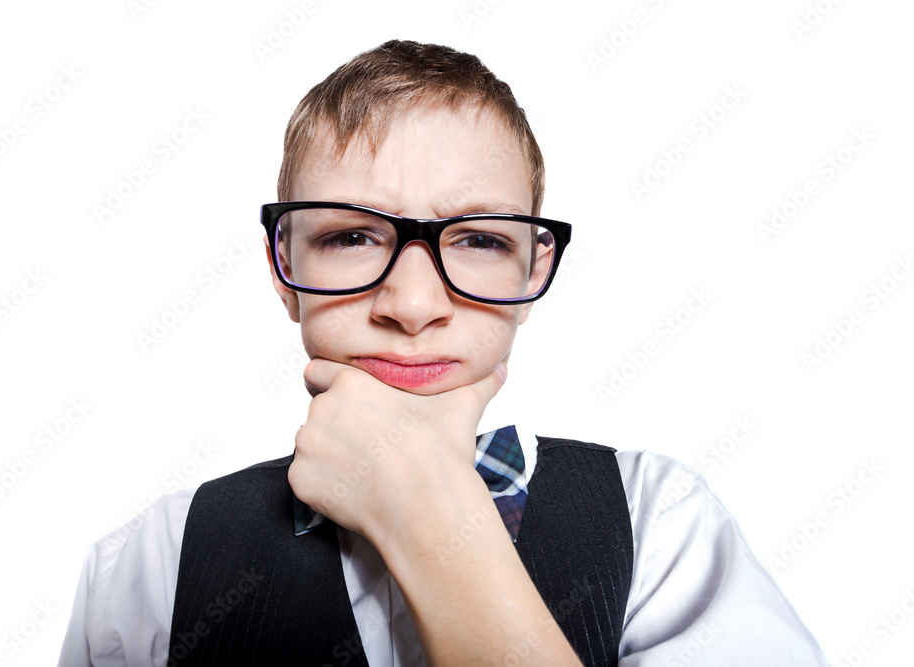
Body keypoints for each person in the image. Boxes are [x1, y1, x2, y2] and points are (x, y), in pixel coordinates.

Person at [58, 39, 830, 666]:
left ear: (534, 271)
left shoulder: (662, 526)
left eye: (479, 240)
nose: (414, 306)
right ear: (282, 269)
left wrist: (432, 519)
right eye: (351, 236)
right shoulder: (154, 564)